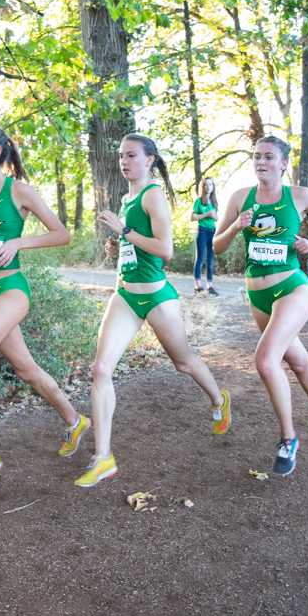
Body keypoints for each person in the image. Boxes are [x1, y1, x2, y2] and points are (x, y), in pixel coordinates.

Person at [75, 134, 231, 488]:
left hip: (158, 296)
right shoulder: (127, 197)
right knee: (100, 368)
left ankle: (218, 397)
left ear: (149, 160)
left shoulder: (152, 195)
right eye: (120, 156)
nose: (124, 161)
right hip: (126, 295)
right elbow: (134, 247)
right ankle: (103, 458)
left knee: (183, 361)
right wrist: (119, 245)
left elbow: (165, 250)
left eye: (131, 155)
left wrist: (125, 230)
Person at [0, 124, 90, 493]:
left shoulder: (19, 191)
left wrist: (19, 242)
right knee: (26, 370)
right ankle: (75, 421)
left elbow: (62, 234)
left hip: (11, 290)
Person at [213, 136, 308, 476]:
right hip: (256, 295)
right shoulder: (240, 198)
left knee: (266, 359)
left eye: (269, 157)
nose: (261, 162)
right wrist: (234, 226)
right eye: (256, 156)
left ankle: (288, 439)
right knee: (296, 361)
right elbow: (216, 246)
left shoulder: (299, 196)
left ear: (283, 163)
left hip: (292, 287)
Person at [191, 177, 219, 296]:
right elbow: (193, 217)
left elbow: (217, 218)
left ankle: (210, 286)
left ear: (213, 187)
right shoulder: (198, 201)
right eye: (206, 185)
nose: (208, 187)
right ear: (203, 187)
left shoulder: (214, 202)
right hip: (202, 231)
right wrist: (208, 214)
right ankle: (197, 285)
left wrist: (213, 215)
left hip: (212, 231)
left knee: (210, 259)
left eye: (211, 185)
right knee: (200, 258)